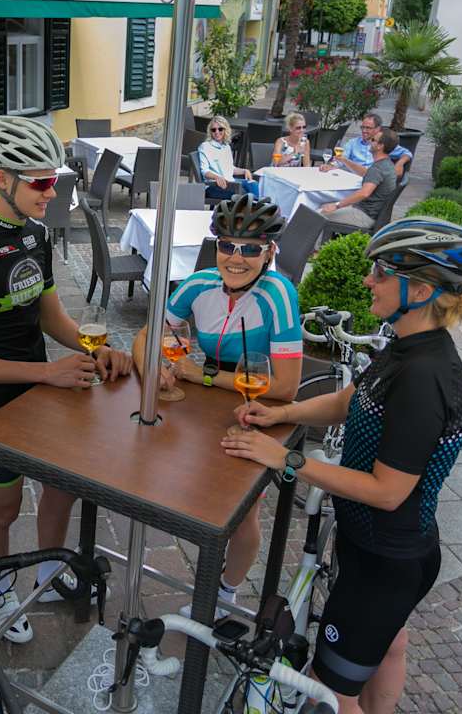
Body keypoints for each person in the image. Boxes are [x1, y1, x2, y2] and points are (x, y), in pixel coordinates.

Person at [222, 217, 462, 714]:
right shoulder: (407, 346)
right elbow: (353, 399)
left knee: (333, 691)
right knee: (389, 645)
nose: (368, 280)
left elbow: (388, 491)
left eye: (383, 272)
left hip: (383, 560)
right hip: (389, 549)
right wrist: (283, 413)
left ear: (423, 287)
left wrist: (286, 457)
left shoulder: (424, 379)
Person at [0, 115, 132, 643]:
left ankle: (47, 573)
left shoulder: (37, 236)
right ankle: (0, 589)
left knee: (61, 485)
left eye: (57, 179)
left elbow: (52, 320)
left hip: (44, 387)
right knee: (0, 507)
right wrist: (47, 372)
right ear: (2, 178)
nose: (54, 192)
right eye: (42, 183)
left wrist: (100, 347)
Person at [130, 194, 302, 618]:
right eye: (227, 245)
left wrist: (200, 375)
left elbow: (284, 386)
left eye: (249, 249)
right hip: (204, 404)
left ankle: (226, 591)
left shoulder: (278, 294)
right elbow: (147, 336)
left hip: (254, 405)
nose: (236, 258)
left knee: (243, 516)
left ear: (270, 251)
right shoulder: (199, 283)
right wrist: (152, 372)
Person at [319, 127, 399, 230]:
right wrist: (345, 161)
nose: (370, 141)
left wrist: (337, 205)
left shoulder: (377, 168)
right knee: (325, 205)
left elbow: (364, 193)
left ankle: (310, 245)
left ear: (380, 146)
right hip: (373, 214)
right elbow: (367, 173)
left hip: (364, 216)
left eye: (373, 140)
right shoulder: (387, 164)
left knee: (319, 214)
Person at [333, 114, 413, 180]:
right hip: (354, 179)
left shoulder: (382, 144)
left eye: (368, 128)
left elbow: (407, 153)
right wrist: (332, 165)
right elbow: (340, 159)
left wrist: (400, 163)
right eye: (362, 127)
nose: (364, 131)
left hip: (372, 182)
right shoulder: (353, 143)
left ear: (378, 129)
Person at [198, 115, 260, 200]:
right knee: (244, 194)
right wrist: (217, 177)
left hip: (230, 182)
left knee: (252, 183)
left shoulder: (226, 147)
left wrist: (244, 170)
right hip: (213, 185)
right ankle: (257, 206)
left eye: (220, 129)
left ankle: (256, 206)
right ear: (210, 132)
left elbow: (230, 169)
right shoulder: (205, 146)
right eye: (213, 130)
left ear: (225, 130)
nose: (217, 132)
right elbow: (204, 171)